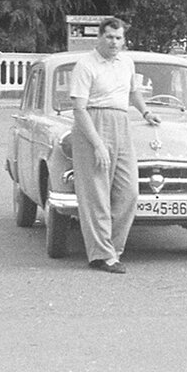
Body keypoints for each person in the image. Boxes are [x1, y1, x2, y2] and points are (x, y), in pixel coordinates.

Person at [69, 17, 161, 274]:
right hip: (93, 122)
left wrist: (145, 113)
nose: (114, 42)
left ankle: (113, 250)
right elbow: (79, 108)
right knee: (96, 193)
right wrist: (97, 144)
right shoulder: (85, 64)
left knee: (128, 191)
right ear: (99, 37)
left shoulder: (126, 62)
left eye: (118, 38)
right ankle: (101, 255)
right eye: (109, 37)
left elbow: (133, 93)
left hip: (121, 122)